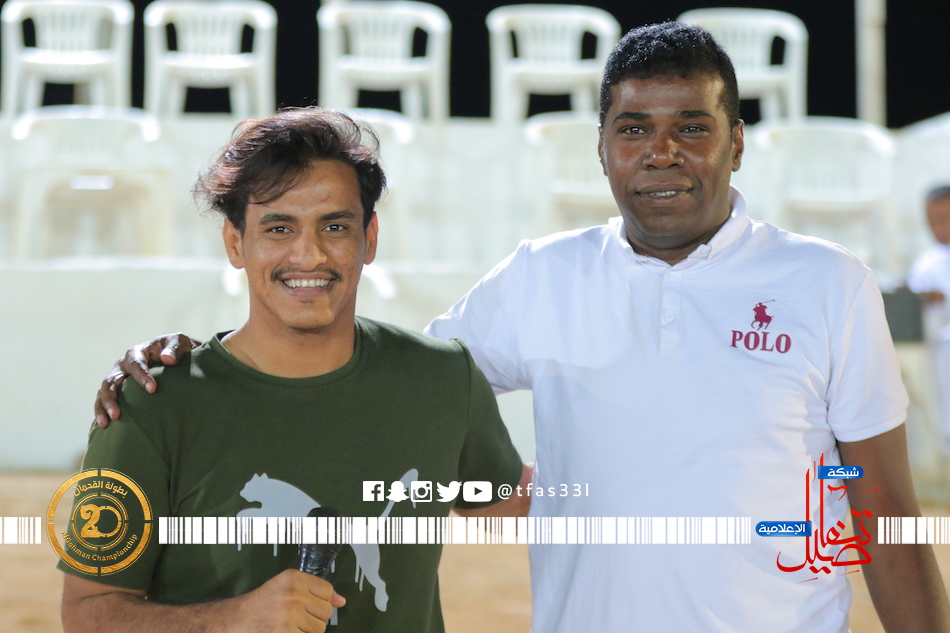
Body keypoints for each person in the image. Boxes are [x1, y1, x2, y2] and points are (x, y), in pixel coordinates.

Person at [92, 23, 949, 633]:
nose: (662, 152)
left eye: (693, 127)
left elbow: (884, 512)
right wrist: (194, 361)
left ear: (737, 142)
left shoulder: (825, 282)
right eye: (634, 129)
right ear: (602, 147)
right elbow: (375, 376)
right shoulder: (543, 275)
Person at [63, 108, 530, 633]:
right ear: (235, 243)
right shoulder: (150, 405)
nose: (308, 255)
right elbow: (87, 613)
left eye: (335, 226)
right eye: (279, 228)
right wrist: (237, 618)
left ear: (370, 237)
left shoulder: (443, 379)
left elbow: (519, 502)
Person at [908, 185, 950, 448]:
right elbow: (916, 293)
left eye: (944, 219)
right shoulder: (928, 261)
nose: (938, 227)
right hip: (940, 351)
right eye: (932, 221)